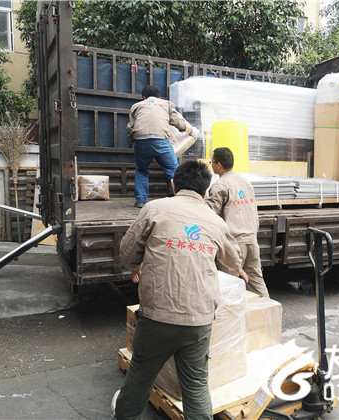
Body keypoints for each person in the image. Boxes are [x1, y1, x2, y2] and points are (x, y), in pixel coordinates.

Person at [113, 160, 247, 420]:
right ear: (206, 192)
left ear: (174, 185)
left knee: (140, 375)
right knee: (196, 386)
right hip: (198, 320)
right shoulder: (215, 221)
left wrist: (136, 265)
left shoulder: (154, 209)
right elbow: (233, 261)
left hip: (157, 317)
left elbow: (127, 254)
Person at [206, 147, 270, 298]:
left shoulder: (220, 185)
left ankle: (232, 313)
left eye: (212, 162)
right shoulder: (245, 182)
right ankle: (268, 307)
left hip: (234, 243)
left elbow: (210, 213)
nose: (211, 165)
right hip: (251, 240)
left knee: (229, 285)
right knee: (256, 280)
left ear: (219, 164)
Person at [127, 85, 199, 208]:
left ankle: (140, 200)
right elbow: (178, 122)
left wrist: (135, 141)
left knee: (141, 170)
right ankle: (181, 198)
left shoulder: (136, 106)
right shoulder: (166, 104)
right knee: (173, 170)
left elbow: (130, 127)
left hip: (140, 140)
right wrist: (191, 131)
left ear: (143, 97)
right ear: (158, 96)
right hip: (160, 140)